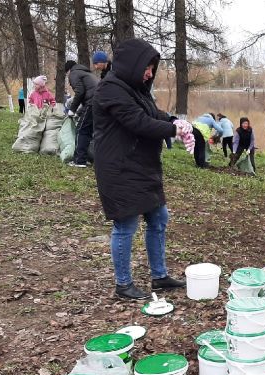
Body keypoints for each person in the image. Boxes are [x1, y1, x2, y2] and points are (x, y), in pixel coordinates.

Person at [92, 38, 188, 300]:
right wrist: (173, 130)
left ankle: (159, 276)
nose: (149, 73)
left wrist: (171, 119)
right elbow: (138, 122)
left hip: (142, 167)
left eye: (152, 68)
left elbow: (151, 113)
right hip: (119, 168)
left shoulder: (135, 88)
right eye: (147, 67)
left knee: (158, 219)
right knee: (126, 225)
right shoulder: (110, 89)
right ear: (133, 65)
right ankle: (123, 284)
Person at [65, 53, 101, 168]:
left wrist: (72, 110)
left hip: (93, 102)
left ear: (68, 70)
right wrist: (79, 112)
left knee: (81, 130)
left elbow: (80, 92)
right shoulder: (86, 73)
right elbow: (87, 92)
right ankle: (89, 158)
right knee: (90, 131)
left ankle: (79, 161)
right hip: (100, 102)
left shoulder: (74, 73)